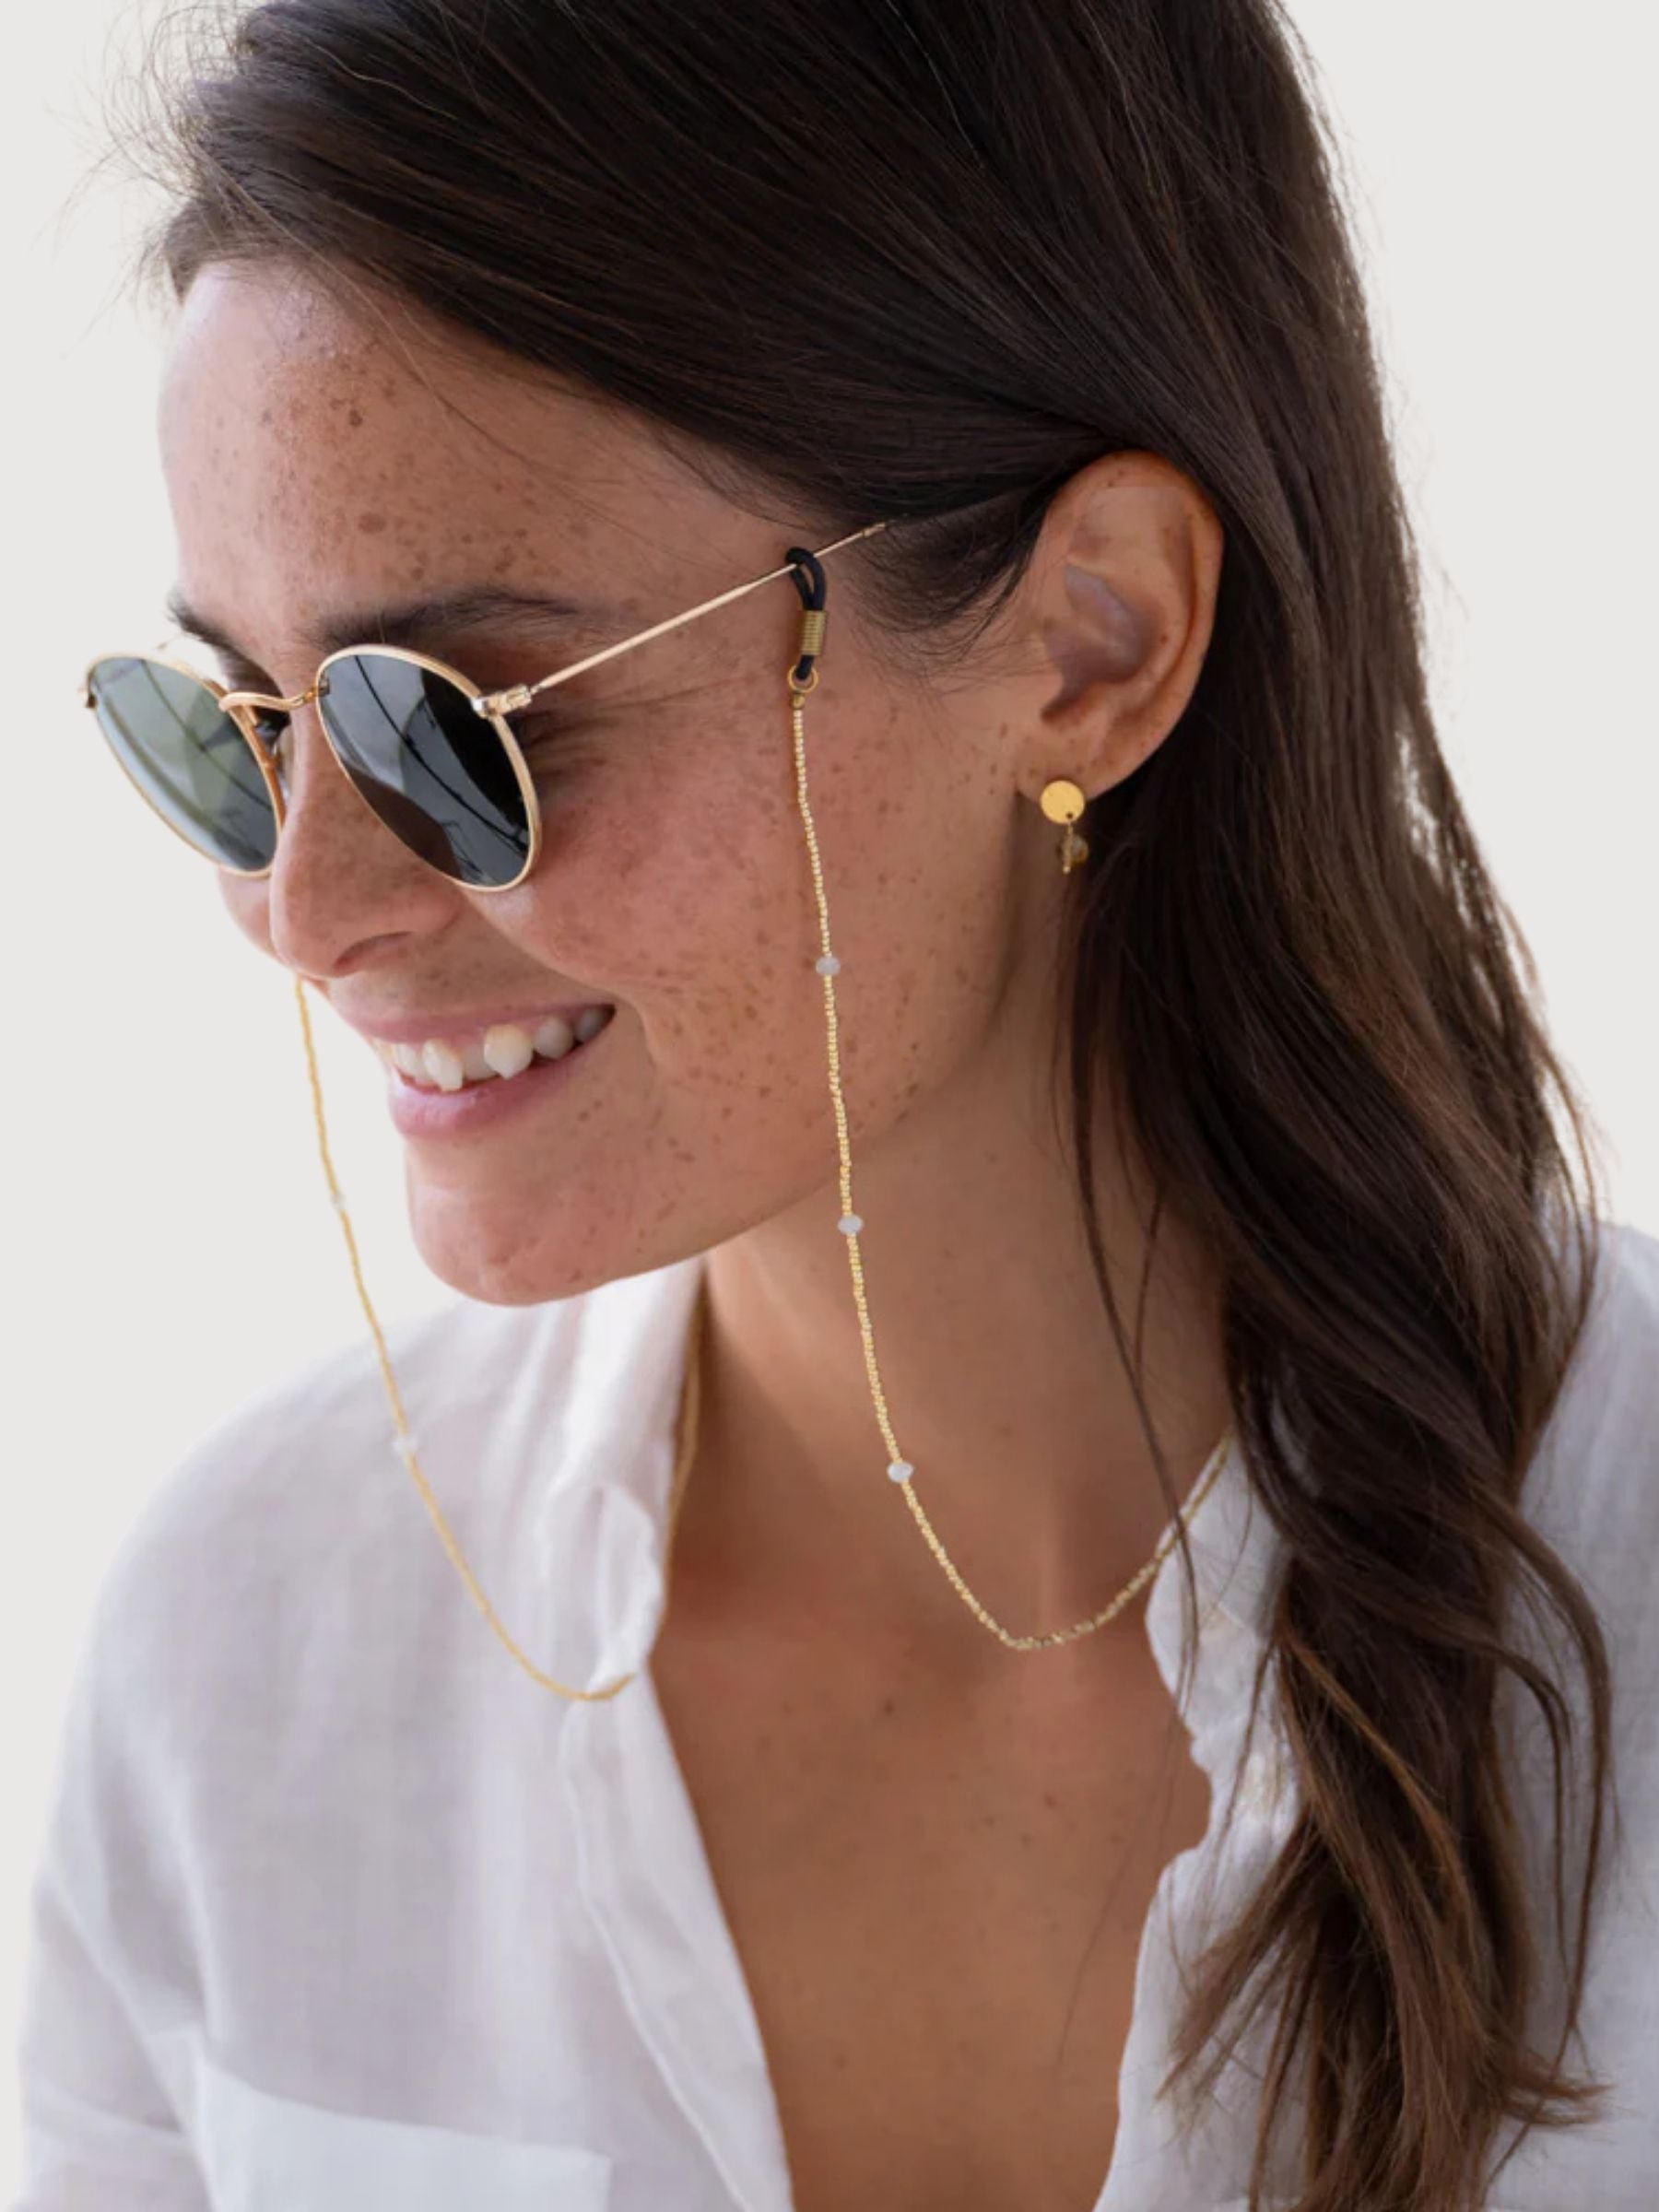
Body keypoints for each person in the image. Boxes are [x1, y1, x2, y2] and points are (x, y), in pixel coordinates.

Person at [14, 4, 1656, 2208]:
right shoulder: (241, 1678)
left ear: (1093, 639)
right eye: (238, 721)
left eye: (465, 725)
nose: (302, 913)